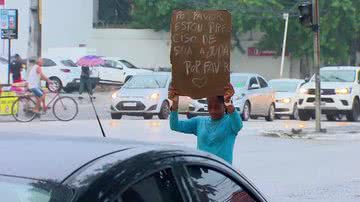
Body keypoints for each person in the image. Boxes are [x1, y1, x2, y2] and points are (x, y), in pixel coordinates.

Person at [168, 83, 243, 164]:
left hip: (222, 172)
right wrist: (175, 103)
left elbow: (239, 125)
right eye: (210, 106)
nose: (213, 110)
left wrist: (228, 102)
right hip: (202, 170)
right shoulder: (199, 122)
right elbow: (174, 125)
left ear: (224, 106)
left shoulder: (230, 122)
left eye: (217, 107)